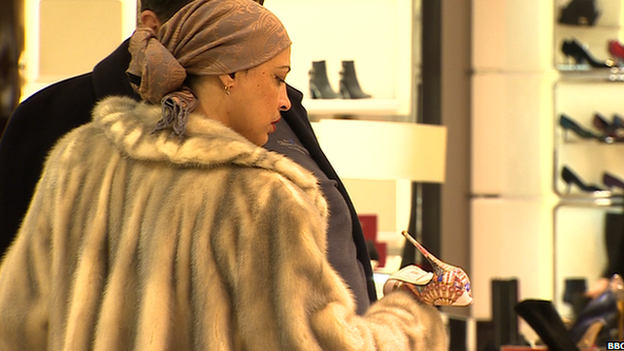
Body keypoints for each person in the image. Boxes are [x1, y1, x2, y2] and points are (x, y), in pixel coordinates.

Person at [0, 0, 446, 350]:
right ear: (229, 74)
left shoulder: (77, 159)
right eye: (276, 77)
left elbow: (16, 321)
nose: (286, 100)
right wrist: (410, 309)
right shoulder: (264, 198)